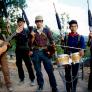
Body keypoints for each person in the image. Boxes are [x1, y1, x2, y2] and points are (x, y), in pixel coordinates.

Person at [28, 15, 58, 92]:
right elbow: (30, 44)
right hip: (36, 52)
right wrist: (32, 37)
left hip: (45, 52)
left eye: (40, 21)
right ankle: (40, 85)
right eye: (37, 21)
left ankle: (54, 87)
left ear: (42, 22)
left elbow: (52, 40)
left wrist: (52, 47)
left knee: (50, 70)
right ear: (35, 23)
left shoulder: (46, 30)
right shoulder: (32, 31)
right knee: (38, 71)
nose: (39, 23)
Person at [61, 20, 85, 92]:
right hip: (67, 57)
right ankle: (68, 88)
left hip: (76, 57)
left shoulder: (81, 37)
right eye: (72, 26)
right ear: (69, 27)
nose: (73, 28)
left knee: (75, 74)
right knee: (67, 74)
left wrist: (82, 50)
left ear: (77, 27)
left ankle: (73, 88)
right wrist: (62, 41)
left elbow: (82, 47)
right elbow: (63, 47)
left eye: (75, 26)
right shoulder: (66, 37)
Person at [14, 18, 35, 85]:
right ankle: (21, 79)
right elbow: (11, 37)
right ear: (18, 23)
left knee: (28, 65)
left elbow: (31, 41)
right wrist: (15, 32)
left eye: (22, 22)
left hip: (26, 50)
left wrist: (31, 49)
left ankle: (32, 79)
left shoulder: (27, 30)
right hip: (18, 50)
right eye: (19, 22)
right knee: (19, 65)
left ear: (24, 23)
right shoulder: (16, 31)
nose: (20, 23)